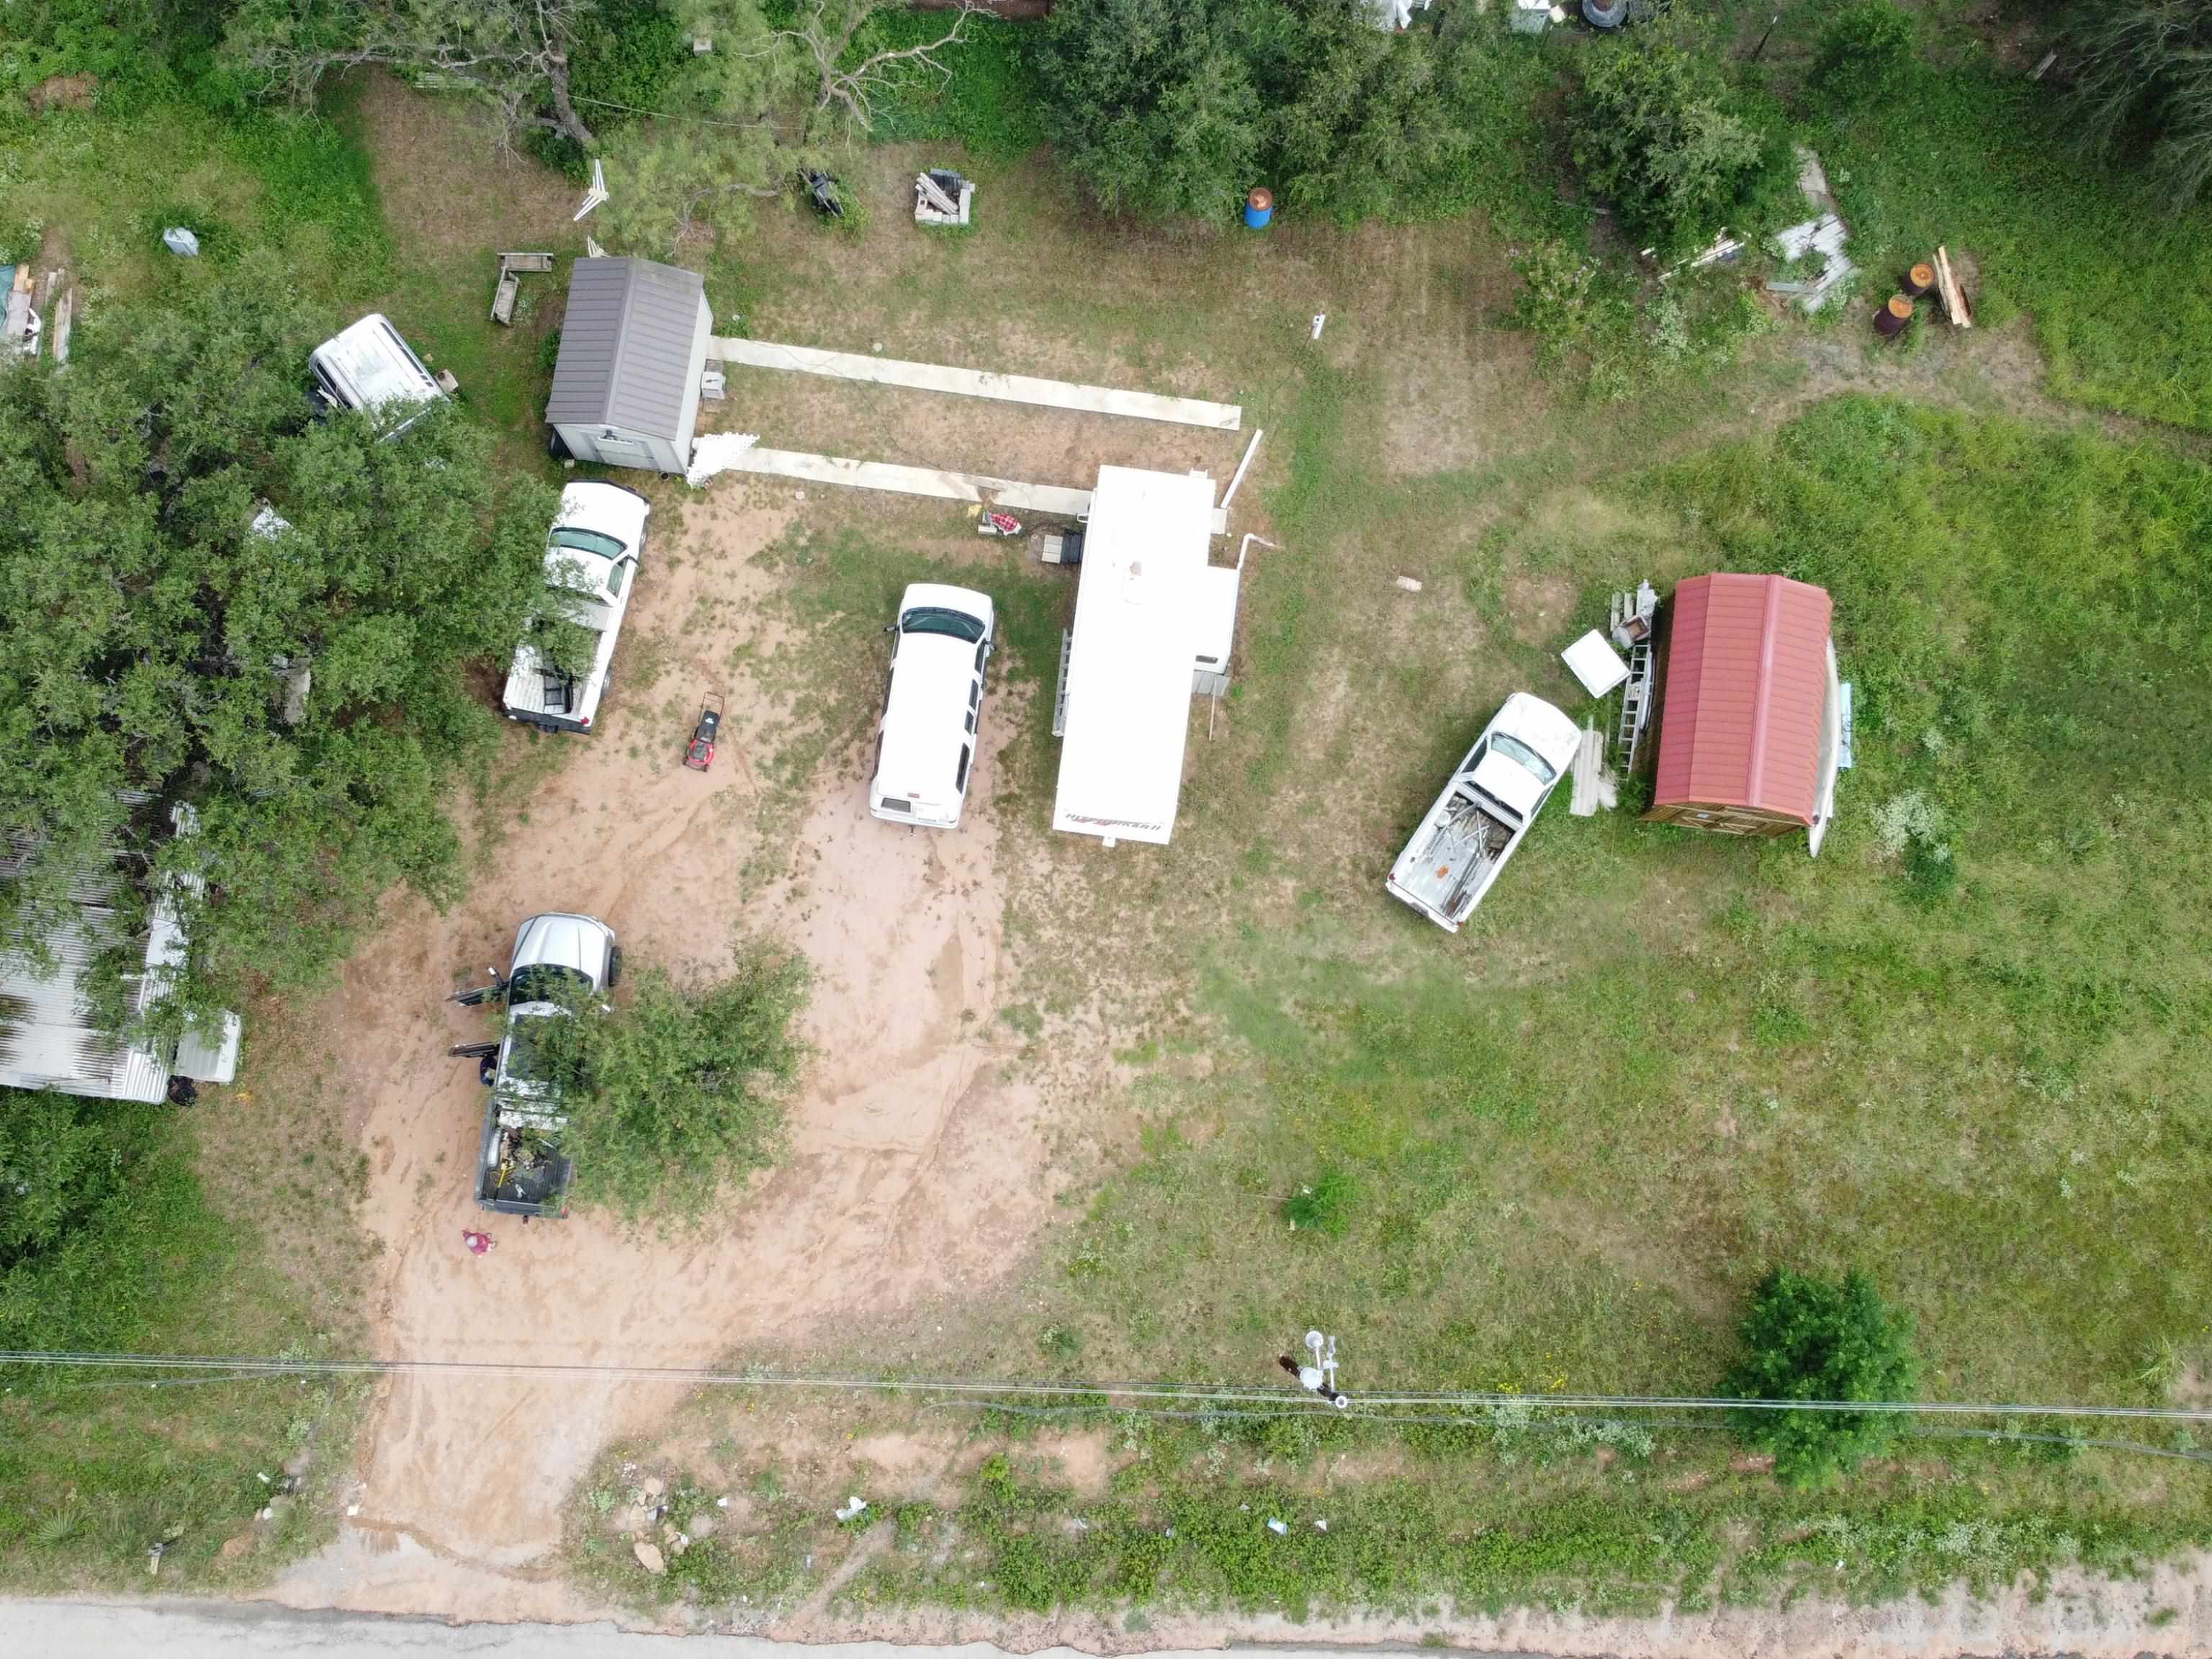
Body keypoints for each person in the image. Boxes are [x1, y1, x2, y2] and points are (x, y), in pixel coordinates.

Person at [1277, 1354, 1347, 1408]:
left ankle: (1282, 1360)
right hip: (1308, 1379)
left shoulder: (1328, 1392)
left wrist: (1324, 1383)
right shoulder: (1328, 1393)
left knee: (1294, 1367)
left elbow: (1322, 1386)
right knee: (1294, 1369)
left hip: (1309, 1378)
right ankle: (1282, 1361)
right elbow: (1321, 1386)